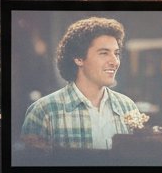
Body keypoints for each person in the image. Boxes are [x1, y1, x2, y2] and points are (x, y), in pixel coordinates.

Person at [19, 16, 141, 152]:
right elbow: (32, 168)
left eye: (116, 54)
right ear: (78, 58)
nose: (115, 61)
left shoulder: (128, 107)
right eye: (104, 53)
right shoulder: (43, 112)